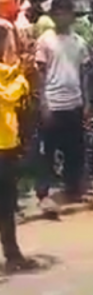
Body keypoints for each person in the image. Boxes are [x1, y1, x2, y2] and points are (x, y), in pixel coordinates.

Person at [34, 0, 89, 214]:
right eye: (56, 12)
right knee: (47, 151)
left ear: (70, 15)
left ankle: (72, 188)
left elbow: (84, 73)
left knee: (74, 150)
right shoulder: (45, 40)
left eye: (64, 12)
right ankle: (43, 193)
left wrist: (85, 101)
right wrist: (43, 102)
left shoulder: (78, 42)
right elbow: (40, 73)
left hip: (74, 103)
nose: (60, 16)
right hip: (53, 104)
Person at [0, 23, 39, 274]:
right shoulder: (11, 76)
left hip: (7, 144)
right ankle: (12, 254)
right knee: (4, 202)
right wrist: (23, 76)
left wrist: (24, 70)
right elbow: (7, 95)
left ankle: (12, 253)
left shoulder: (8, 71)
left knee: (7, 203)